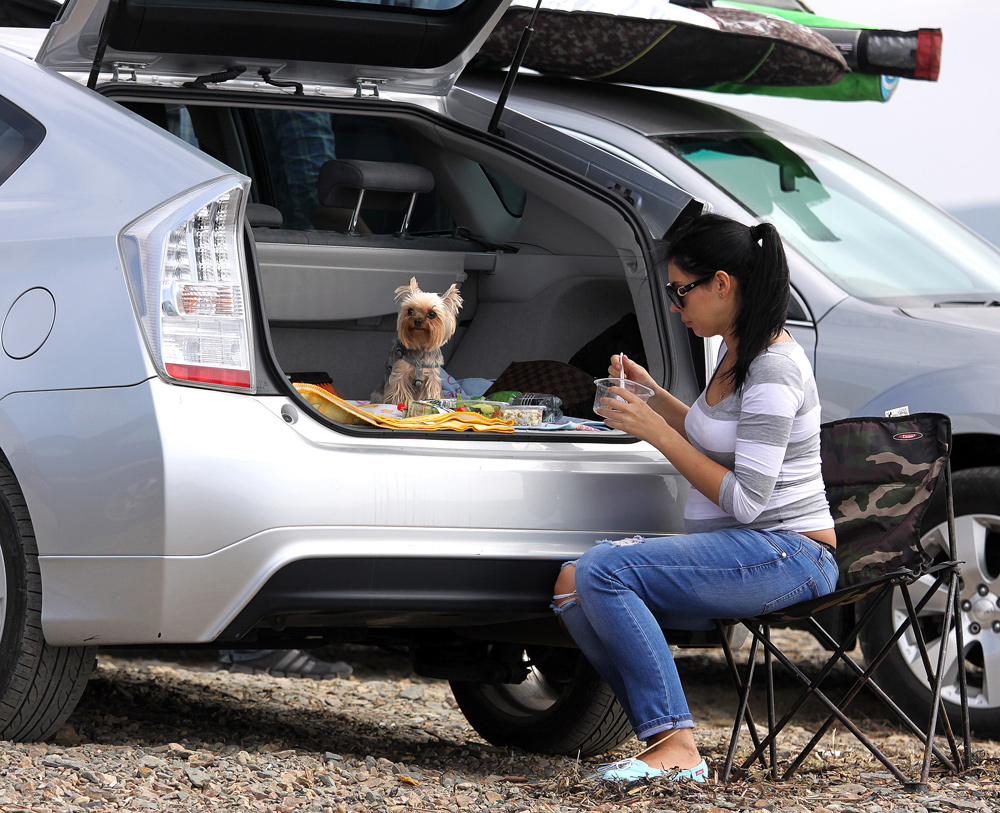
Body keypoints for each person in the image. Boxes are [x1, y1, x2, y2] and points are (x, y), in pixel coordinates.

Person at [552, 213, 838, 783]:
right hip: (751, 547)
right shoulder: (733, 352)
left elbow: (750, 500)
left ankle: (677, 745)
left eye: (681, 291)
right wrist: (655, 398)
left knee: (604, 571)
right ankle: (665, 740)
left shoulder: (773, 367)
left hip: (790, 552)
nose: (675, 305)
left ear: (723, 284)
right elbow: (718, 439)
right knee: (571, 582)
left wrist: (653, 433)